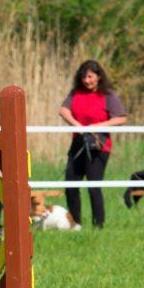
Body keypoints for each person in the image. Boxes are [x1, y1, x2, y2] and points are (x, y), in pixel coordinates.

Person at [59, 60, 128, 228]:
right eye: (84, 77)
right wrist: (78, 126)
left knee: (93, 186)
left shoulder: (108, 95)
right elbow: (63, 110)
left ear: (98, 76)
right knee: (70, 184)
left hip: (98, 145)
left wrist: (97, 126)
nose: (86, 80)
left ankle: (98, 225)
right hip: (78, 143)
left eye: (90, 77)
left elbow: (121, 118)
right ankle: (75, 224)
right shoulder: (76, 92)